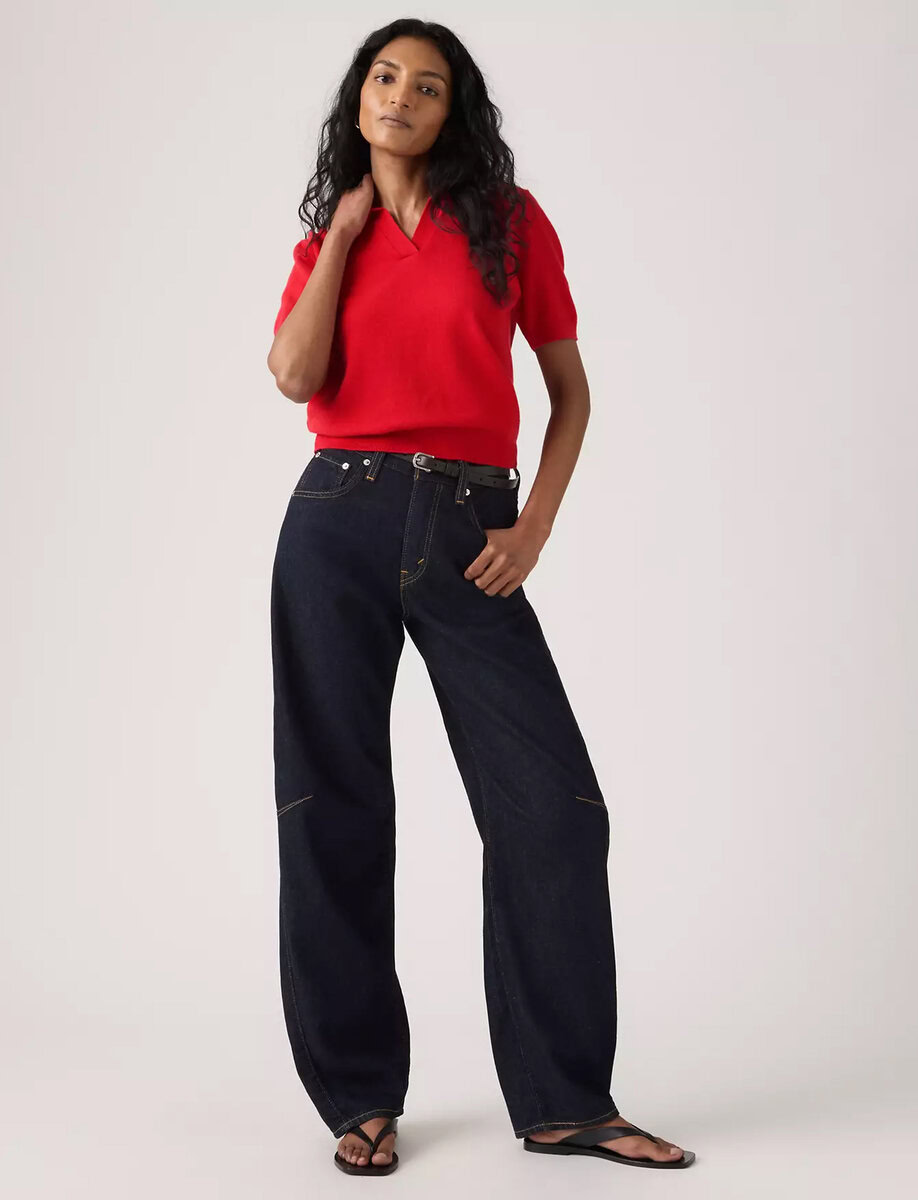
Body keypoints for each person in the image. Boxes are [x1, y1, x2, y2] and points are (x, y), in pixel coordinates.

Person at [266, 18, 695, 1177]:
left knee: (553, 808)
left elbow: (569, 390)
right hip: (337, 518)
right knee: (331, 804)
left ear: (453, 111)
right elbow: (295, 376)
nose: (402, 96)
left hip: (470, 525)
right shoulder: (329, 238)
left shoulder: (508, 224)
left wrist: (535, 524)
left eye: (428, 85)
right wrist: (344, 232)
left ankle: (566, 1101)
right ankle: (358, 1095)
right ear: (359, 95)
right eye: (385, 76)